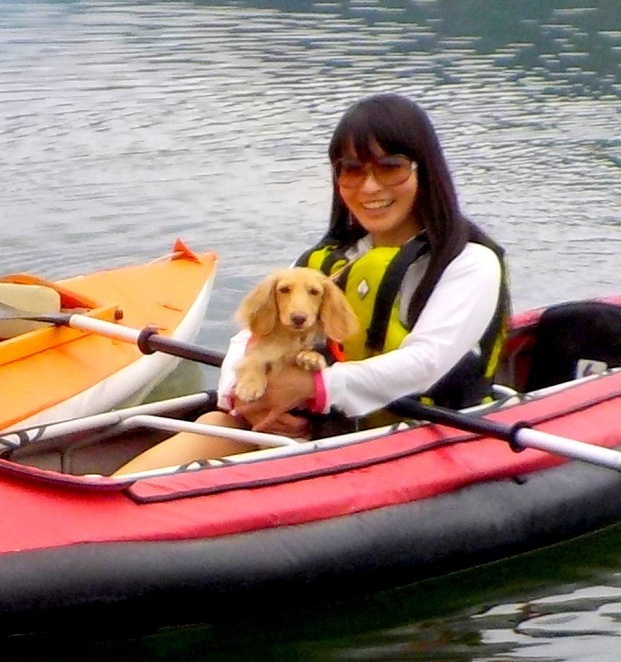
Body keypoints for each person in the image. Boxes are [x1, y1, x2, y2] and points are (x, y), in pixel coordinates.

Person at [116, 92, 509, 473]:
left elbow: (425, 362)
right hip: (316, 429)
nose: (370, 187)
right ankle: (106, 497)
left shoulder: (470, 263)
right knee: (216, 428)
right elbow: (249, 337)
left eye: (391, 166)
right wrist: (245, 395)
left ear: (425, 169)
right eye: (352, 170)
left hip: (420, 440)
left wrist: (311, 386)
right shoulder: (325, 262)